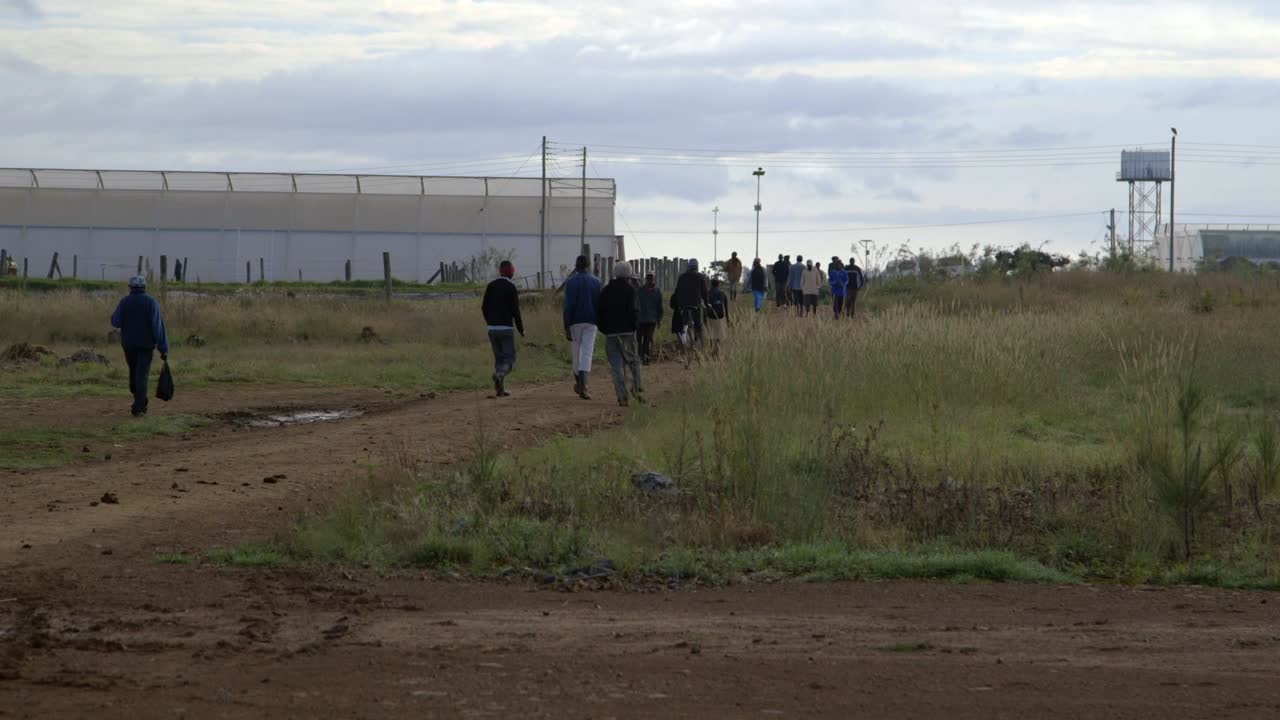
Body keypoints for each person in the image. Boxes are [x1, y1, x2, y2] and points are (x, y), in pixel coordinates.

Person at [110, 276, 170, 417]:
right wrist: (163, 348)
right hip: (146, 345)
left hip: (128, 345)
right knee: (142, 374)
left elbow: (115, 322)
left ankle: (139, 399)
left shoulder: (124, 302)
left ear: (130, 287)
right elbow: (157, 327)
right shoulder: (151, 302)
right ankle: (139, 406)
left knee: (133, 371)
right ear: (144, 287)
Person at [597, 261, 643, 407]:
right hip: (628, 332)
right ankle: (636, 388)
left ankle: (622, 397)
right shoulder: (631, 290)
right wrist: (634, 327)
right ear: (629, 274)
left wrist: (605, 329)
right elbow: (634, 312)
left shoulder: (605, 290)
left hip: (611, 333)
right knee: (634, 361)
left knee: (616, 365)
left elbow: (599, 313)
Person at [481, 260, 524, 397]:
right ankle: (499, 375)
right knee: (509, 359)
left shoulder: (490, 285)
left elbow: (484, 307)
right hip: (506, 328)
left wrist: (490, 322)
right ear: (511, 272)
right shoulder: (511, 287)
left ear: (500, 271)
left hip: (492, 329)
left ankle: (500, 389)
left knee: (499, 359)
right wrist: (521, 329)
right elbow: (516, 310)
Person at [563, 255, 602, 400]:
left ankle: (579, 383)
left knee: (576, 352)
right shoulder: (597, 282)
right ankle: (584, 386)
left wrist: (566, 325)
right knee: (587, 353)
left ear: (576, 266)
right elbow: (599, 304)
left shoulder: (571, 282)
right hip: (591, 322)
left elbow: (568, 306)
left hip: (574, 322)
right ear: (588, 265)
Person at [670, 258, 709, 347]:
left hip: (683, 305)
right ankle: (700, 344)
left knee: (684, 323)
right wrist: (706, 302)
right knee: (698, 324)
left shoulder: (681, 277)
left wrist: (679, 303)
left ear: (689, 267)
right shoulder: (700, 277)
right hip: (696, 304)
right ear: (697, 267)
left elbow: (677, 291)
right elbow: (704, 292)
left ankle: (684, 335)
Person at [637, 273, 663, 365]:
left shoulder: (657, 292)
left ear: (654, 279)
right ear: (646, 279)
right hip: (640, 320)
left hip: (651, 320)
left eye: (652, 279)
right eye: (649, 278)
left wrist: (659, 319)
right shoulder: (640, 291)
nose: (650, 280)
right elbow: (636, 305)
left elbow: (660, 307)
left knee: (647, 340)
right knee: (639, 340)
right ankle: (640, 358)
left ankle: (646, 359)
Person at [705, 278, 730, 353]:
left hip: (710, 315)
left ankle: (712, 349)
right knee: (718, 333)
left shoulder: (707, 293)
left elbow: (705, 306)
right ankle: (717, 349)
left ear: (711, 284)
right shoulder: (722, 293)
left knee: (711, 333)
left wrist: (704, 319)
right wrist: (727, 319)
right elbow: (726, 307)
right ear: (718, 285)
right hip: (720, 316)